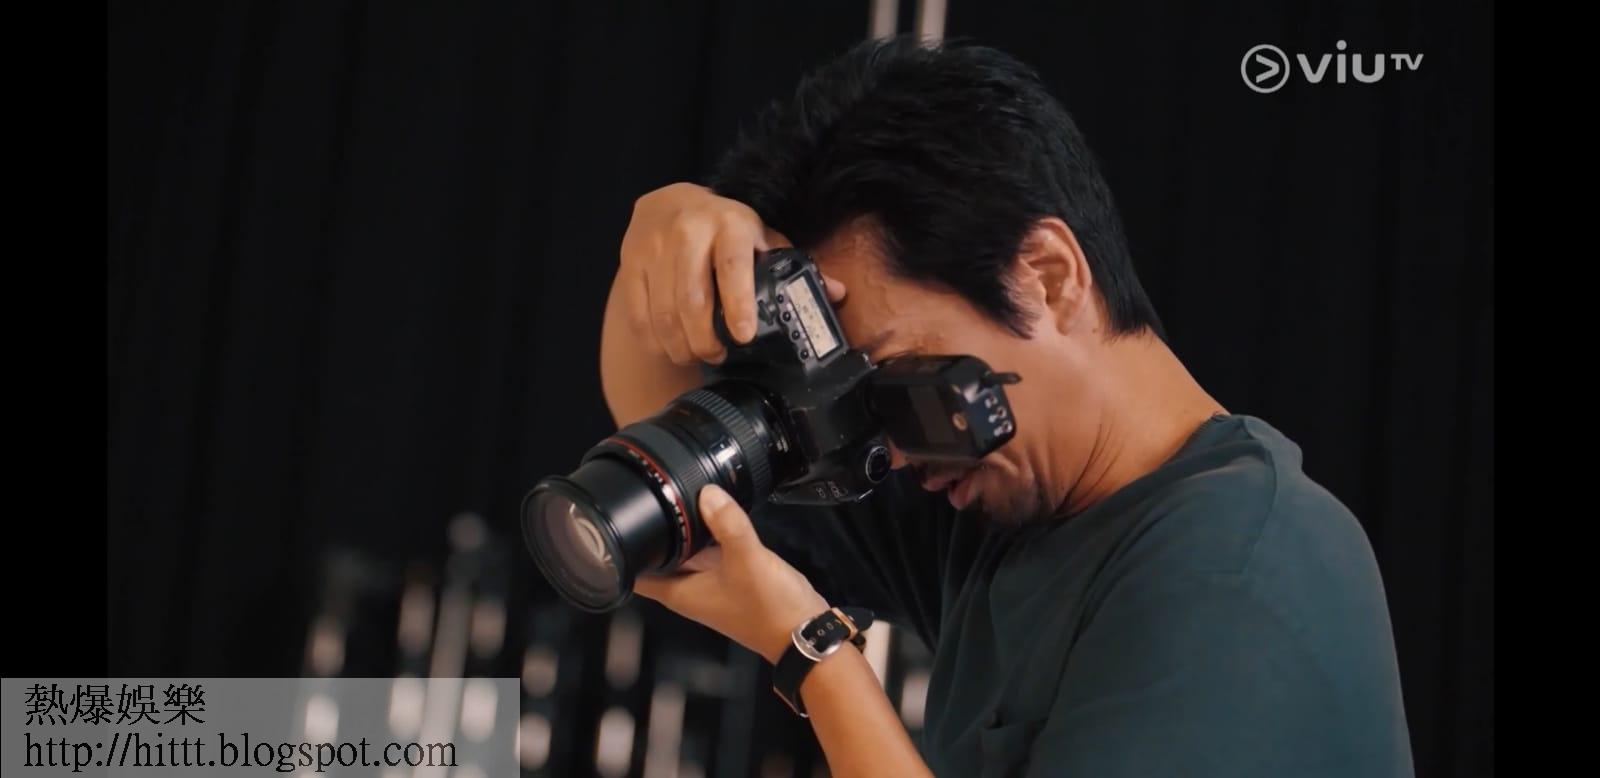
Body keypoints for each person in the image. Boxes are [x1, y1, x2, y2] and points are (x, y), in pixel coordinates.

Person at [601, 36, 1414, 777]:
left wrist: (812, 652)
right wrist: (669, 243)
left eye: (899, 381)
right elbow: (686, 457)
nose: (898, 451)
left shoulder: (1235, 563)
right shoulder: (997, 503)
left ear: (1048, 277)